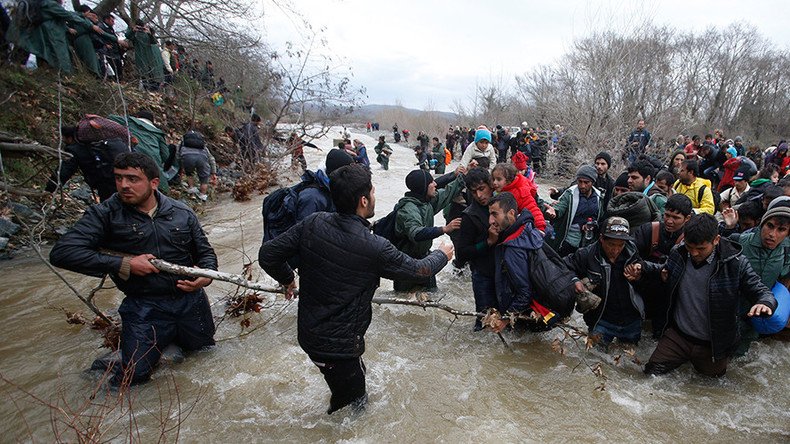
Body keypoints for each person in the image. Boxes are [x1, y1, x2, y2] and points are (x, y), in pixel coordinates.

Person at [258, 164, 453, 414]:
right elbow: (419, 270)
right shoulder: (374, 247)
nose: (374, 197)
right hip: (337, 348)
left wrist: (287, 279)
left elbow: (268, 254)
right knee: (353, 409)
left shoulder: (313, 222)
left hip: (312, 335)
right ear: (363, 200)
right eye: (372, 192)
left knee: (353, 386)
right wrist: (442, 254)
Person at [49, 153, 218, 385]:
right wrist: (123, 264)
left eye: (132, 179)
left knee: (204, 354)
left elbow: (206, 254)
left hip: (191, 302)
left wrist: (204, 278)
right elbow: (63, 252)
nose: (124, 185)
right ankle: (113, 364)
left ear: (154, 183)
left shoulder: (182, 212)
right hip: (145, 306)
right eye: (119, 178)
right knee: (133, 378)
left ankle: (166, 346)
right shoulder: (105, 214)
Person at [639, 214, 776, 377]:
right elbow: (665, 269)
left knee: (712, 387)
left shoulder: (735, 264)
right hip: (677, 337)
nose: (695, 253)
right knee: (650, 376)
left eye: (701, 248)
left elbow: (760, 290)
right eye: (690, 246)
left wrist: (766, 303)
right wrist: (642, 266)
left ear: (716, 240)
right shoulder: (679, 253)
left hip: (713, 345)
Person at [564, 217, 645, 348]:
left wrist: (639, 275)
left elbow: (649, 277)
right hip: (601, 321)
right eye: (611, 244)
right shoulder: (586, 254)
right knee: (594, 360)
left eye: (620, 245)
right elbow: (563, 267)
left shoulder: (632, 252)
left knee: (629, 360)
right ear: (602, 239)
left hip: (631, 320)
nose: (616, 250)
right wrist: (575, 281)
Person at [724, 197, 790, 352]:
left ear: (787, 234)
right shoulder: (740, 240)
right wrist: (729, 228)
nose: (772, 234)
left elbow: (784, 279)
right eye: (770, 226)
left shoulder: (786, 251)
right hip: (728, 313)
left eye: (781, 230)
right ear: (762, 223)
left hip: (756, 318)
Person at [393, 167, 466, 291]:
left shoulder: (426, 203)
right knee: (403, 300)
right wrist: (444, 229)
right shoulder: (408, 209)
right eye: (432, 182)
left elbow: (447, 193)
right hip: (407, 263)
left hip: (426, 259)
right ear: (424, 188)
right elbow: (416, 234)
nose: (435, 184)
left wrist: (462, 176)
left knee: (431, 297)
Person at [632, 194, 694, 336]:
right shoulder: (648, 230)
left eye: (676, 218)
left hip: (671, 297)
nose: (669, 221)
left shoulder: (691, 239)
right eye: (667, 215)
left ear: (688, 218)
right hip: (643, 288)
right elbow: (631, 255)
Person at [454, 168, 498, 330]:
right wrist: (487, 242)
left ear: (491, 186)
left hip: (504, 272)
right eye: (474, 192)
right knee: (484, 322)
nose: (479, 195)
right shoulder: (469, 216)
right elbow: (462, 253)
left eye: (482, 189)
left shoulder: (503, 204)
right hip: (483, 275)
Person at [488, 192, 544, 315]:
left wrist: (507, 317)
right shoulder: (527, 227)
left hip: (525, 313)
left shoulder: (513, 248)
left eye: (495, 214)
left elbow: (525, 293)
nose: (490, 221)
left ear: (511, 213)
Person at [45, 125, 130, 201]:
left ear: (69, 138)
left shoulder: (75, 149)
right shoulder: (96, 144)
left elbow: (63, 172)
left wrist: (49, 190)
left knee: (111, 208)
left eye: (64, 140)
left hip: (105, 182)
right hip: (119, 177)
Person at [6, 0, 88, 74]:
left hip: (26, 32)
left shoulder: (38, 4)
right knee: (46, 54)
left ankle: (14, 67)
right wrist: (90, 26)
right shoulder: (49, 4)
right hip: (39, 35)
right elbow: (68, 15)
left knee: (25, 51)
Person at [109, 109, 175, 193]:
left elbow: (110, 118)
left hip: (129, 163)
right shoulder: (158, 133)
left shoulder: (130, 121)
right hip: (154, 171)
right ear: (152, 122)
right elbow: (165, 155)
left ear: (137, 117)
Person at [547, 165, 604, 256]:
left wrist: (592, 224)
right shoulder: (570, 194)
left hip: (586, 240)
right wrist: (554, 211)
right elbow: (561, 206)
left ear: (592, 182)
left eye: (586, 182)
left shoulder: (598, 196)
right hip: (567, 239)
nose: (582, 185)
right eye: (580, 182)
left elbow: (598, 215)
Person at [491, 163, 546, 232]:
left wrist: (540, 228)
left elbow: (533, 209)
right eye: (493, 179)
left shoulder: (520, 193)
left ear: (509, 180)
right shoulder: (501, 189)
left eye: (498, 179)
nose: (494, 182)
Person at [125, 21, 163, 91]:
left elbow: (154, 42)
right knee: (144, 76)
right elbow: (127, 36)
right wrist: (133, 30)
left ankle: (152, 92)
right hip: (141, 58)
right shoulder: (135, 34)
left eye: (142, 27)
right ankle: (147, 91)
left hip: (150, 59)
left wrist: (149, 34)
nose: (141, 29)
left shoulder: (147, 34)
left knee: (153, 78)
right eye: (139, 27)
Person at [179, 131, 216, 202]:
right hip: (202, 158)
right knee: (204, 179)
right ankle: (202, 197)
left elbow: (178, 154)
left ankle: (192, 194)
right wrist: (213, 173)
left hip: (187, 157)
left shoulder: (183, 142)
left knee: (189, 174)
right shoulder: (202, 145)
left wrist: (180, 167)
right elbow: (211, 158)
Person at [99, 14, 123, 81]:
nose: (113, 23)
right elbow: (98, 37)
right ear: (106, 20)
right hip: (107, 52)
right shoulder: (101, 27)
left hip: (115, 52)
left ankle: (118, 81)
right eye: (112, 21)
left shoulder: (111, 29)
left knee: (118, 68)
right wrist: (105, 44)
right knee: (111, 68)